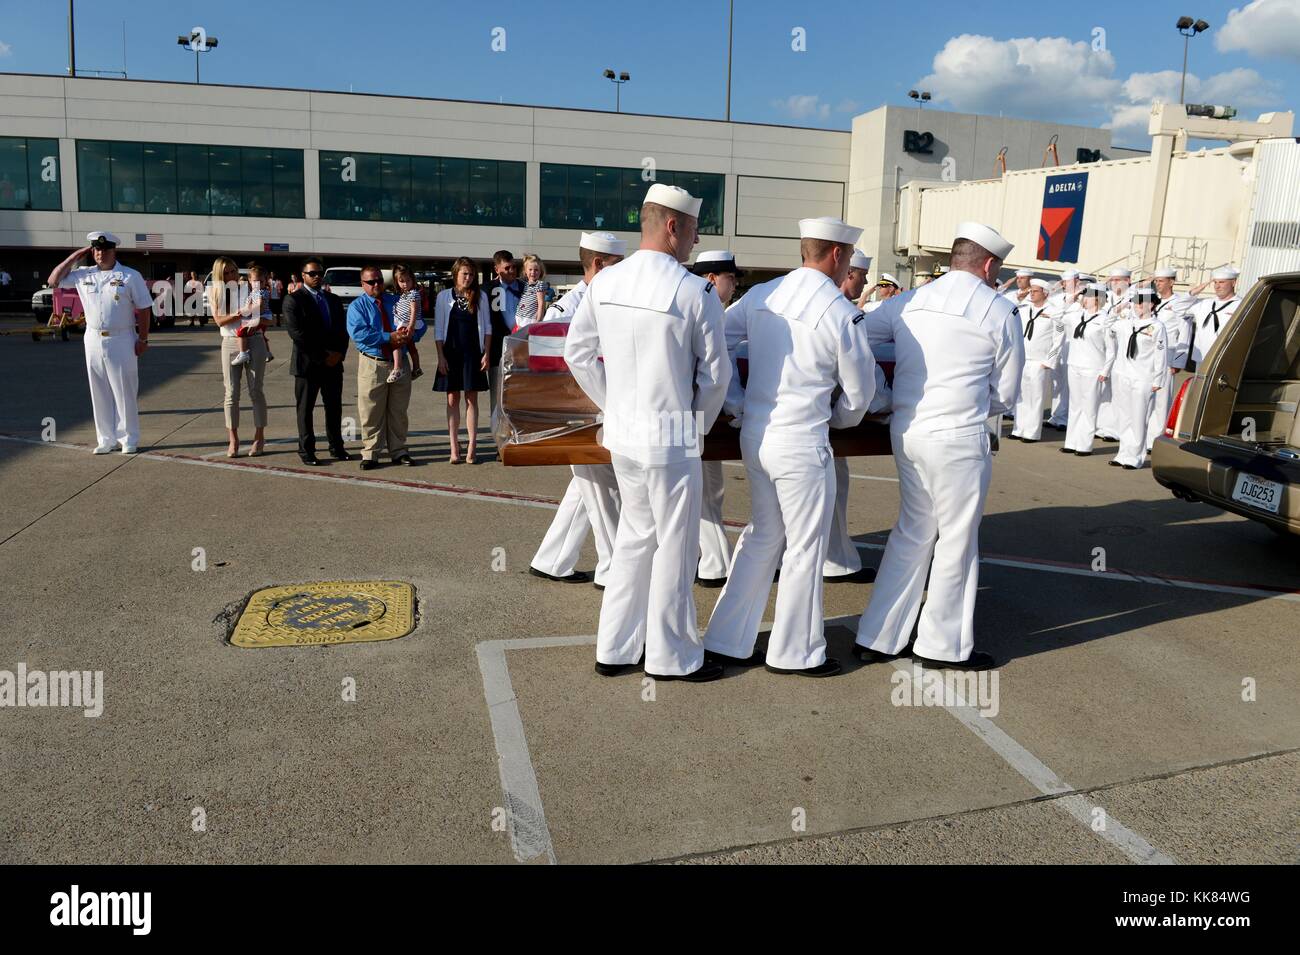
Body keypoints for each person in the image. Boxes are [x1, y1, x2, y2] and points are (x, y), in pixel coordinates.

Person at [565, 183, 731, 683]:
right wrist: (694, 425)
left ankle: (615, 648)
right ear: (673, 226)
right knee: (676, 548)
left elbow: (577, 353)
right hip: (671, 437)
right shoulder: (693, 290)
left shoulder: (606, 282)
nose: (697, 242)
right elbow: (716, 376)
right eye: (694, 230)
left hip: (624, 435)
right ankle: (672, 656)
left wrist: (612, 405)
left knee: (634, 540)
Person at [704, 218, 877, 678]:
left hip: (756, 435)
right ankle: (795, 651)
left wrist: (738, 400)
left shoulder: (763, 294)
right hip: (802, 441)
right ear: (838, 255)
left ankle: (726, 638)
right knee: (805, 549)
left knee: (762, 536)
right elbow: (860, 396)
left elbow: (718, 340)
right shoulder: (840, 313)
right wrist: (835, 421)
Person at [855, 221, 1024, 671]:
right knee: (956, 540)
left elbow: (859, 339)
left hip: (907, 430)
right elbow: (1006, 391)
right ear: (989, 265)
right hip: (958, 437)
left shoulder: (911, 300)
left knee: (912, 532)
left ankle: (878, 634)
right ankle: (941, 646)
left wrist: (886, 395)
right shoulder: (999, 310)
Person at [529, 232, 627, 586]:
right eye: (618, 264)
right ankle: (613, 569)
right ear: (599, 264)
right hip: (581, 412)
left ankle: (552, 560)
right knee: (603, 487)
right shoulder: (570, 304)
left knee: (587, 486)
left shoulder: (604, 297)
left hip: (595, 408)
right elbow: (535, 347)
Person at [47, 231, 154, 454]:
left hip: (122, 337)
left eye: (105, 249)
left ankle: (128, 438)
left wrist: (143, 338)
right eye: (96, 249)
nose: (100, 253)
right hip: (93, 337)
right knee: (99, 389)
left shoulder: (129, 276)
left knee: (124, 389)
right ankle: (106, 438)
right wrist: (75, 256)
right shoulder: (82, 274)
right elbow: (53, 280)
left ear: (114, 250)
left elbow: (144, 308)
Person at [825, 247, 884, 583]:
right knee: (830, 490)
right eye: (862, 276)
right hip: (826, 422)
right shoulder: (845, 315)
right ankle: (834, 561)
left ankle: (836, 557)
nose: (865, 283)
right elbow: (865, 377)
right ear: (849, 273)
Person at [688, 249, 744, 586]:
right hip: (698, 417)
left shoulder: (719, 312)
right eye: (730, 278)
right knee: (706, 491)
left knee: (710, 490)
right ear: (711, 279)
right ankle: (713, 562)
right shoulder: (709, 313)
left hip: (700, 416)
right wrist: (736, 407)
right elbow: (719, 374)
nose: (735, 285)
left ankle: (713, 560)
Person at [348, 265, 421, 470]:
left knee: (398, 410)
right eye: (371, 282)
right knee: (371, 410)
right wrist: (389, 337)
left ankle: (398, 450)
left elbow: (414, 323)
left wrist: (412, 333)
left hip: (400, 363)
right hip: (373, 363)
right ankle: (371, 453)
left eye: (379, 280)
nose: (377, 285)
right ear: (362, 284)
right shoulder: (357, 307)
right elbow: (360, 335)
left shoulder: (397, 300)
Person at [283, 257, 352, 466]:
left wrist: (339, 354)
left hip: (333, 364)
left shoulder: (333, 300)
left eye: (320, 273)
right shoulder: (293, 300)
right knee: (305, 410)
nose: (317, 277)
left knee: (334, 408)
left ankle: (337, 447)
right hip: (308, 365)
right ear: (303, 275)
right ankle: (307, 450)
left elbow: (343, 330)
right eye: (312, 273)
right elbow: (298, 334)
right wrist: (323, 356)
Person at [206, 256, 269, 458]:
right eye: (226, 272)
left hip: (254, 339)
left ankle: (259, 437)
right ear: (219, 275)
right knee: (231, 393)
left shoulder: (249, 287)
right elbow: (219, 321)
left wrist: (254, 311)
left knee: (256, 390)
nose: (231, 275)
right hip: (230, 343)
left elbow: (263, 309)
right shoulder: (215, 292)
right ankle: (233, 439)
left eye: (233, 271)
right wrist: (242, 312)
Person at [434, 257, 492, 464]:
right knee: (452, 399)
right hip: (450, 353)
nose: (468, 278)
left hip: (472, 354)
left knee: (471, 399)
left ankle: (472, 445)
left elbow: (487, 329)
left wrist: (486, 352)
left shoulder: (481, 297)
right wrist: (440, 356)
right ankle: (454, 447)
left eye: (471, 274)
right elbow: (439, 330)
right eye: (464, 274)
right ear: (455, 274)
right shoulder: (443, 297)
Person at [1108, 287, 1167, 470]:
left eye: (1142, 302)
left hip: (1143, 377)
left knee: (1138, 418)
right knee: (1123, 416)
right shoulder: (1126, 323)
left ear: (1152, 304)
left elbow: (1161, 355)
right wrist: (1123, 305)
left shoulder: (1157, 326)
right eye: (1136, 301)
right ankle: (1123, 453)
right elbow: (1108, 321)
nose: (1138, 305)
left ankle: (1135, 456)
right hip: (1123, 375)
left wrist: (1158, 380)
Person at [1060, 283, 1115, 456]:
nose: (1084, 298)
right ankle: (1071, 442)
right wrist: (1074, 295)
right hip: (1074, 365)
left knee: (1089, 407)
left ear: (1098, 299)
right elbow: (1057, 315)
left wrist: (1105, 371)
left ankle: (1084, 445)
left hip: (1093, 368)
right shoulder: (1077, 315)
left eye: (1088, 296)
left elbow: (1112, 350)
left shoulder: (1106, 320)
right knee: (1075, 405)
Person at [1146, 267, 1195, 450]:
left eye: (1161, 280)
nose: (1157, 283)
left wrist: (1178, 361)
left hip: (1168, 355)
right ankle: (1142, 437)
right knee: (1146, 397)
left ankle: (1155, 440)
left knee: (1161, 400)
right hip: (1148, 355)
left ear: (1171, 282)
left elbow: (1185, 333)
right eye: (1156, 280)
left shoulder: (1179, 302)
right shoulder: (1151, 301)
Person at [1009, 279, 1062, 443]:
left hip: (1040, 361)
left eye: (1035, 291)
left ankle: (1031, 432)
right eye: (1030, 291)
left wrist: (1049, 361)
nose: (1031, 293)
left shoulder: (1055, 312)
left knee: (1036, 397)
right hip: (1023, 359)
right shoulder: (1024, 309)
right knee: (1020, 395)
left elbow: (1059, 338)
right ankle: (1018, 429)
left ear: (1045, 293)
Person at [1094, 267, 1134, 442]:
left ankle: (1117, 429)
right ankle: (1103, 426)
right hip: (1102, 347)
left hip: (1123, 349)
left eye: (1118, 280)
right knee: (1104, 391)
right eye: (1112, 279)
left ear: (1128, 281)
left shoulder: (1138, 296)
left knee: (1120, 391)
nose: (1114, 282)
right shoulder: (1105, 295)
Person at [484, 251, 521, 425]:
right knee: (497, 398)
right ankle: (498, 439)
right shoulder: (486, 290)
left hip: (521, 352)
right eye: (507, 268)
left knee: (518, 396)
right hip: (497, 351)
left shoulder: (525, 288)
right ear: (497, 269)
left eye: (514, 267)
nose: (512, 271)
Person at [1045, 269, 1084, 430]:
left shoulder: (1083, 299)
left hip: (1073, 343)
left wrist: (1075, 298)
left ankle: (1065, 418)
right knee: (1057, 382)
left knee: (1069, 383)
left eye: (1066, 282)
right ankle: (1056, 415)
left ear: (1076, 281)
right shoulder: (1056, 299)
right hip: (1057, 342)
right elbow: (1054, 315)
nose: (1063, 285)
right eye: (1062, 282)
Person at [1186, 266, 1241, 373]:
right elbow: (1178, 307)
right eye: (1215, 282)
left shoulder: (1241, 305)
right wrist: (1195, 291)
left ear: (1233, 283)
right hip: (1201, 358)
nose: (1217, 286)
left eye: (1221, 282)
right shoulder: (1204, 303)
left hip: (1224, 360)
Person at [386, 264, 424, 384]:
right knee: (411, 346)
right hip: (405, 323)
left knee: (396, 343)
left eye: (408, 280)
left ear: (413, 280)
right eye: (402, 281)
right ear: (397, 282)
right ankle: (417, 368)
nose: (405, 284)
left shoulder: (413, 293)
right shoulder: (404, 294)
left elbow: (414, 310)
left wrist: (411, 326)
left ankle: (398, 368)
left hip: (407, 324)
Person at [232, 264, 275, 367]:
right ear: (250, 281)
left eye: (261, 281)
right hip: (261, 317)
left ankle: (243, 353)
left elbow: (260, 306)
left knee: (241, 332)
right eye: (256, 281)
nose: (258, 284)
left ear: (265, 281)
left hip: (261, 317)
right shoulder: (255, 292)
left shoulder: (260, 292)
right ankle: (267, 353)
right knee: (261, 335)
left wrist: (244, 310)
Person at [512, 254, 550, 330]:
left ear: (540, 272)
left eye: (536, 270)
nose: (533, 272)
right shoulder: (524, 284)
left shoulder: (539, 284)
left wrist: (538, 321)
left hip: (529, 319)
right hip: (519, 318)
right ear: (525, 271)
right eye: (530, 269)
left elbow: (541, 304)